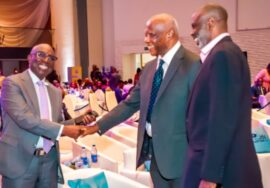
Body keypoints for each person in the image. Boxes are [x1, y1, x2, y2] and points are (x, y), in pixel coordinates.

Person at [81, 13, 201, 187]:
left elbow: (203, 118)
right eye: (146, 34)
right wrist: (96, 126)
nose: (146, 39)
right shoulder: (150, 68)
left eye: (152, 34)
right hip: (155, 159)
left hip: (183, 162)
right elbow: (129, 104)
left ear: (169, 34)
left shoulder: (193, 64)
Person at [182, 4, 263, 188]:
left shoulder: (222, 55)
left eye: (195, 26)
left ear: (211, 23)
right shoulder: (224, 53)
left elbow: (222, 119)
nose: (192, 33)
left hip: (224, 173)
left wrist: (210, 176)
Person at [0, 43, 94, 188]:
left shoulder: (55, 92)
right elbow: (25, 119)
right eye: (40, 55)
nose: (45, 60)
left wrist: (79, 121)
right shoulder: (13, 83)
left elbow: (55, 125)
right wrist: (64, 130)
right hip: (20, 160)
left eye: (51, 57)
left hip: (49, 161)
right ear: (29, 57)